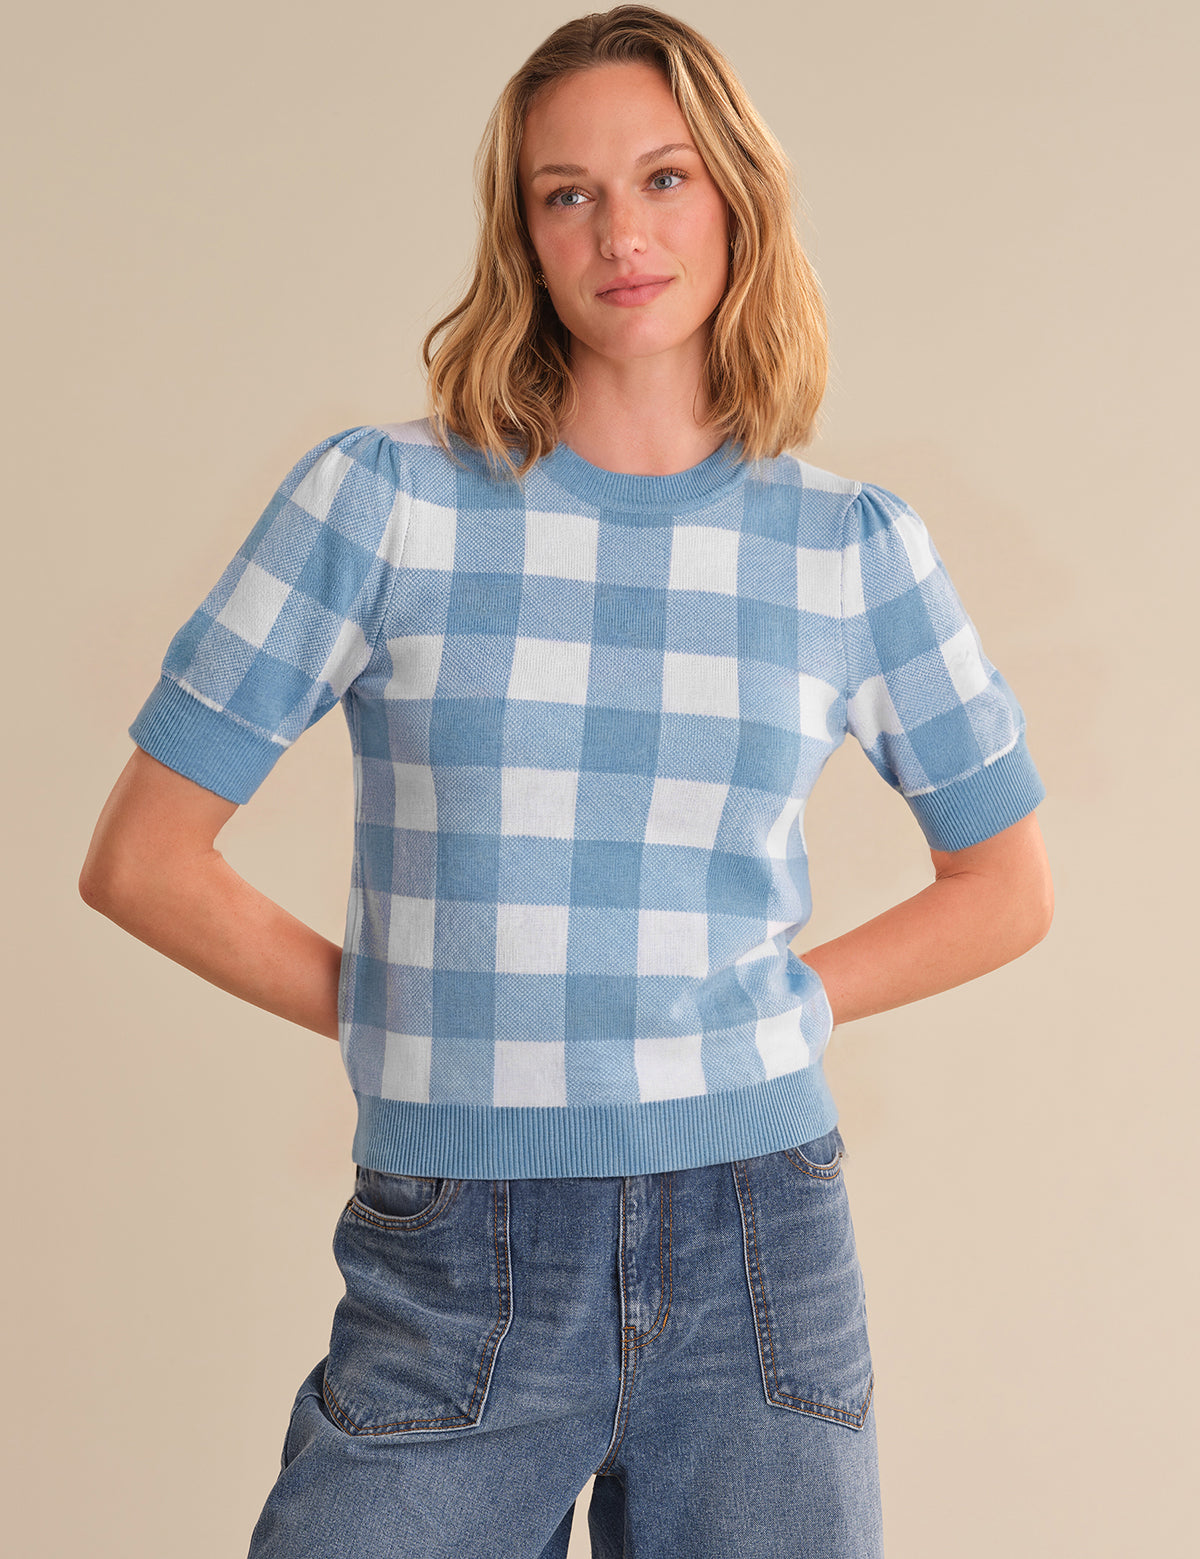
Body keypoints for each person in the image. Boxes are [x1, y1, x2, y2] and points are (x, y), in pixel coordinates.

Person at [78, 7, 1053, 1557]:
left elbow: (1006, 888)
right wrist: (429, 1004)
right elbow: (142, 859)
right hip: (456, 1260)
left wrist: (781, 1005)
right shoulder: (382, 503)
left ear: (737, 197)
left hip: (759, 1246)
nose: (621, 232)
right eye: (567, 193)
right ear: (521, 232)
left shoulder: (850, 547)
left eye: (664, 178)